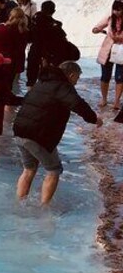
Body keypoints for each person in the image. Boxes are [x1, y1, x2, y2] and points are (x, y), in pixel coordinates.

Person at [13, 61, 101, 205]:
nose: (76, 82)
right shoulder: (63, 86)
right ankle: (44, 209)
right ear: (71, 75)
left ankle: (19, 203)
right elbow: (77, 104)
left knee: (29, 169)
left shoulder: (42, 82)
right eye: (77, 78)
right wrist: (94, 119)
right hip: (37, 135)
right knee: (54, 170)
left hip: (19, 130)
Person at [26, 0, 76, 88]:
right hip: (48, 55)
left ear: (41, 9)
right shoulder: (55, 26)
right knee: (46, 79)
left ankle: (30, 98)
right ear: (53, 11)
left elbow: (29, 37)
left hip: (34, 51)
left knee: (31, 79)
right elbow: (61, 41)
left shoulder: (34, 21)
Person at [91, 0, 123, 108]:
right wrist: (96, 29)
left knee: (120, 77)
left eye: (119, 10)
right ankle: (104, 98)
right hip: (108, 49)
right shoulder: (110, 18)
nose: (116, 12)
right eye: (115, 9)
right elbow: (98, 26)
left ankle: (116, 101)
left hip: (121, 50)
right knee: (105, 76)